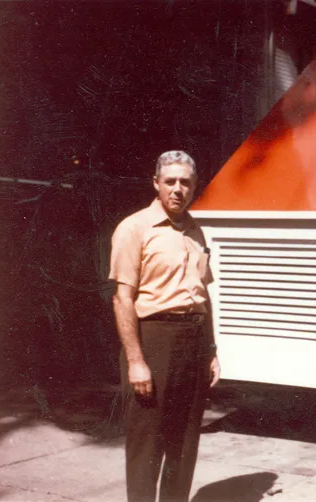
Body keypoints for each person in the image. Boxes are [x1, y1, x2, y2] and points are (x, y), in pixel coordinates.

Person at [109, 150, 221, 502]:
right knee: (148, 444)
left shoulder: (196, 231)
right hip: (154, 340)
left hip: (194, 341)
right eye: (169, 181)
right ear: (155, 183)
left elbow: (203, 295)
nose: (177, 189)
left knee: (184, 444)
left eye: (185, 182)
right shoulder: (134, 228)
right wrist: (136, 360)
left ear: (194, 186)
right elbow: (122, 299)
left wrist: (212, 351)